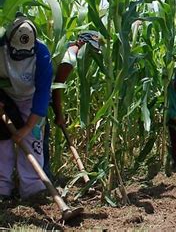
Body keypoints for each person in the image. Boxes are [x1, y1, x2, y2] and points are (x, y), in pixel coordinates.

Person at [0, 14, 53, 199]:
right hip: (4, 97)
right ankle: (2, 188)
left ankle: (32, 190)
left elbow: (42, 94)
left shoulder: (42, 54)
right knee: (2, 142)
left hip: (30, 98)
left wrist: (28, 127)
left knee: (33, 141)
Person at [43, 31, 101, 177]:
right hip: (39, 92)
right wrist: (59, 115)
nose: (91, 54)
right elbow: (57, 87)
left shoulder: (67, 49)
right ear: (81, 43)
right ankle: (42, 180)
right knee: (41, 136)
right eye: (90, 49)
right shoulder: (70, 59)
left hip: (43, 88)